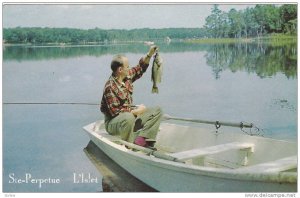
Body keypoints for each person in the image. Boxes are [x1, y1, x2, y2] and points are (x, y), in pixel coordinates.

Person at [100, 45, 163, 148]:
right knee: (128, 117)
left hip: (129, 114)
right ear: (120, 69)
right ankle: (129, 146)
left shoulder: (127, 76)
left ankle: (142, 140)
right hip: (113, 123)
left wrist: (150, 54)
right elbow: (116, 113)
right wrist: (137, 111)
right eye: (127, 66)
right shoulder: (109, 87)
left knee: (157, 111)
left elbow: (140, 68)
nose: (129, 68)